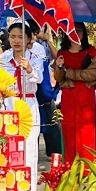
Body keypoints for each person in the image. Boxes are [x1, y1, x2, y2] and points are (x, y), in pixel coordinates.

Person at [53, 22, 96, 163]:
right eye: (72, 31)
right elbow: (58, 78)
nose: (76, 34)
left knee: (86, 130)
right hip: (68, 96)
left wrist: (68, 72)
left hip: (86, 95)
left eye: (79, 31)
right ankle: (70, 165)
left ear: (84, 33)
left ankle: (88, 166)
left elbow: (94, 73)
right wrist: (58, 67)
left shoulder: (91, 51)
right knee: (69, 130)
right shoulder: (61, 53)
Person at [0, 20, 43, 177]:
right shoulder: (3, 58)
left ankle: (29, 189)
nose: (16, 41)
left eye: (20, 37)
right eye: (13, 37)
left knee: (29, 145)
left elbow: (39, 79)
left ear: (29, 39)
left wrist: (30, 69)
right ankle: (10, 189)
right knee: (8, 145)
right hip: (8, 104)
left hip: (28, 103)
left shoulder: (35, 57)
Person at [33, 23, 61, 156]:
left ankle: (55, 152)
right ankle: (35, 152)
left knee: (51, 123)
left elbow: (57, 58)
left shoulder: (40, 46)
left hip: (45, 90)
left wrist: (48, 39)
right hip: (34, 91)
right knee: (34, 125)